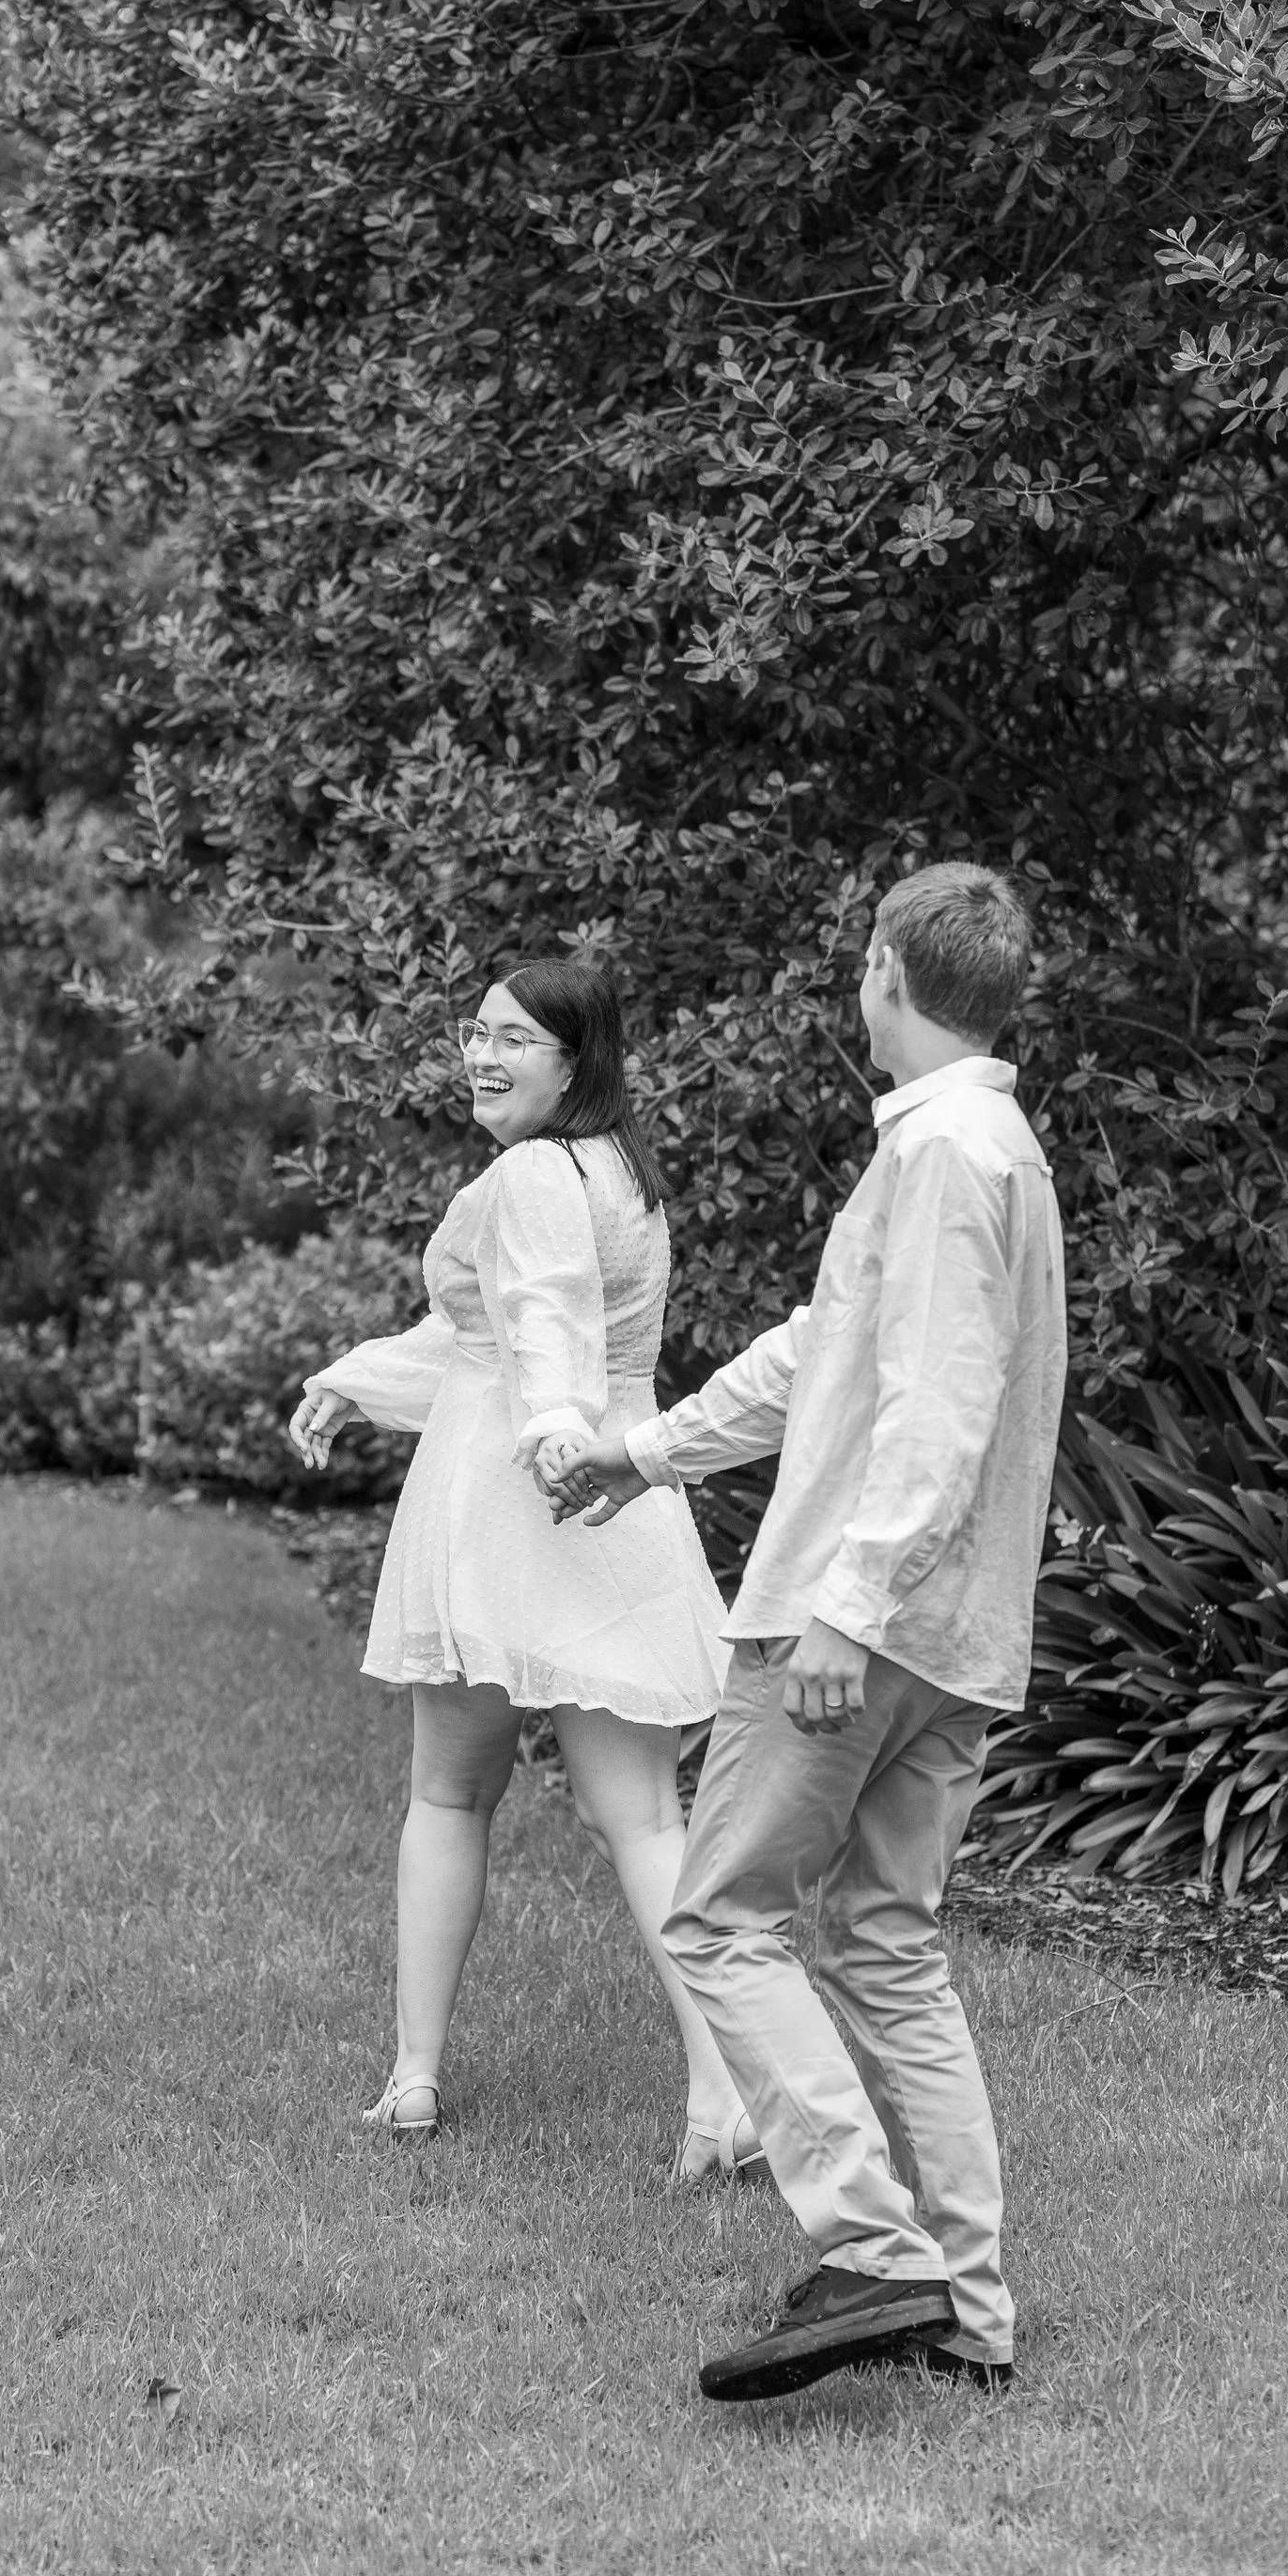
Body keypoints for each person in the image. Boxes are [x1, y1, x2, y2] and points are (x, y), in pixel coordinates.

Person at [539, 864, 1066, 2400]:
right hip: (954, 1633)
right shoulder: (977, 1148)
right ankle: (969, 2313)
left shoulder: (950, 1155)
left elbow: (943, 1406)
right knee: (886, 1944)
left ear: (887, 970)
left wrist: (848, 1600)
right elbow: (821, 1359)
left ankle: (876, 2250)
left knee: (719, 1916)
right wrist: (636, 1454)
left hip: (861, 1620)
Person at [287, 958, 754, 2180]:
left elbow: (543, 1327)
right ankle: (721, 2087)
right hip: (613, 1496)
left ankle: (414, 2072)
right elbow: (476, 1332)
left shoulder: (537, 1172)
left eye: (512, 1039)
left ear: (574, 1057)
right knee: (646, 1816)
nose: (482, 1056)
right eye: (476, 1034)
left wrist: (553, 1437)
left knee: (450, 1794)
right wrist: (352, 1377)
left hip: (523, 1496)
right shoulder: (625, 1175)